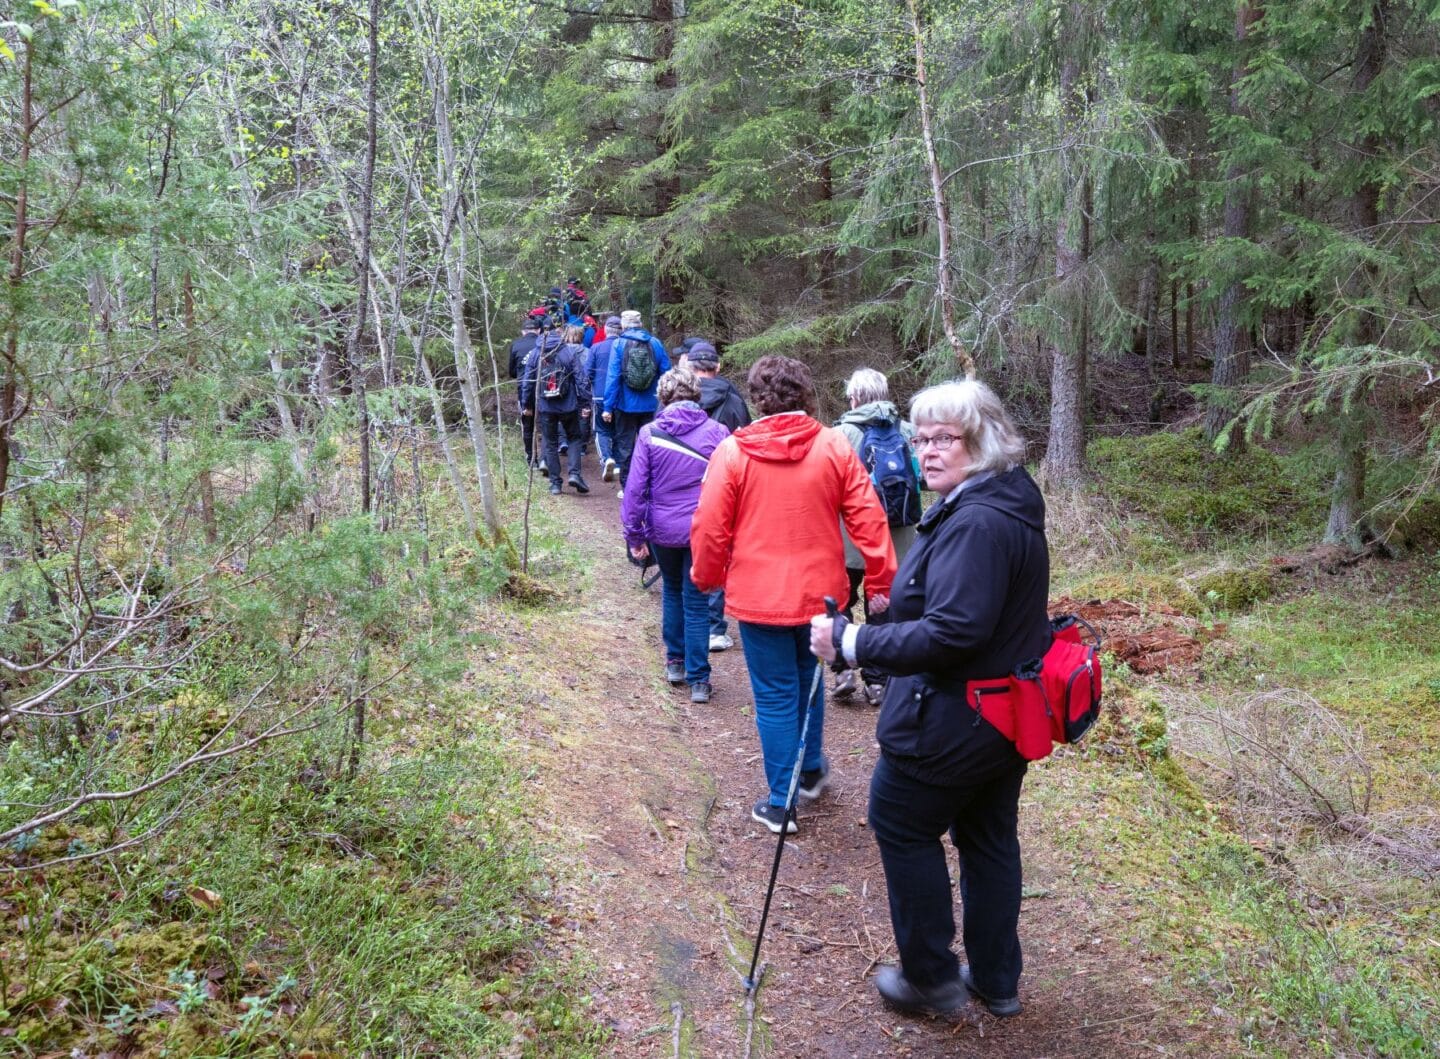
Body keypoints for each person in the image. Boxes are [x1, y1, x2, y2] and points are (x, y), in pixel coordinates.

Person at [808, 378, 1047, 1021]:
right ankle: (996, 979)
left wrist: (854, 641)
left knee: (900, 822)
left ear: (984, 441)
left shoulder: (979, 522)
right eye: (921, 438)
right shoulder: (1006, 498)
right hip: (1002, 716)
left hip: (954, 719)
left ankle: (930, 979)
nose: (928, 450)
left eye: (947, 438)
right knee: (989, 837)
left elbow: (954, 631)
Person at [690, 355, 896, 834]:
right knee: (807, 682)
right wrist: (881, 580)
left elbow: (709, 527)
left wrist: (706, 576)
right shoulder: (832, 447)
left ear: (759, 397)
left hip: (760, 597)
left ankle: (782, 802)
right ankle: (810, 769)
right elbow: (870, 518)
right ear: (805, 393)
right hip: (821, 596)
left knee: (778, 696)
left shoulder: (734, 452)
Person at [621, 368, 730, 704]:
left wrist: (634, 536)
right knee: (697, 600)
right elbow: (728, 486)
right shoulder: (718, 432)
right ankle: (699, 680)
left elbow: (635, 489)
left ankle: (675, 664)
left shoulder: (649, 433)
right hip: (704, 529)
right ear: (696, 394)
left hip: (663, 529)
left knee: (671, 589)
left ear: (663, 396)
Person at [834, 368, 920, 705]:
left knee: (841, 601)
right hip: (897, 541)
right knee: (883, 609)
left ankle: (842, 670)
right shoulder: (909, 431)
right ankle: (878, 681)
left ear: (853, 398)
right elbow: (924, 478)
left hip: (848, 539)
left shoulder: (839, 434)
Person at [685, 340, 751, 652]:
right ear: (718, 367)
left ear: (690, 365)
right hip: (725, 484)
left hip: (684, 486)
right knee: (719, 547)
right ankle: (713, 626)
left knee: (689, 548)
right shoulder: (735, 400)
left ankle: (690, 623)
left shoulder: (678, 396)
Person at [602, 310, 671, 498]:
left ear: (624, 325)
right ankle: (652, 486)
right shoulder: (655, 343)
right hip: (651, 405)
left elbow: (613, 377)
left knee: (624, 446)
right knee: (652, 444)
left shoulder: (618, 344)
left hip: (625, 406)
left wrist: (608, 407)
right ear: (640, 324)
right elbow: (667, 373)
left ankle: (627, 488)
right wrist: (667, 402)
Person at [520, 328, 592, 494]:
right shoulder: (567, 352)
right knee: (574, 438)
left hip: (546, 407)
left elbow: (528, 383)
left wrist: (527, 405)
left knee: (550, 443)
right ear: (560, 337)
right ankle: (574, 474)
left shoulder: (535, 354)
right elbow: (581, 380)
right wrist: (585, 404)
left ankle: (555, 484)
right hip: (569, 405)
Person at [588, 314, 623, 480]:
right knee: (618, 430)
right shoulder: (625, 347)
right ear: (620, 330)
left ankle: (606, 458)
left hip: (600, 396)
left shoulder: (596, 348)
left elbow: (587, 373)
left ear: (606, 331)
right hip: (621, 396)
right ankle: (616, 462)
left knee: (601, 430)